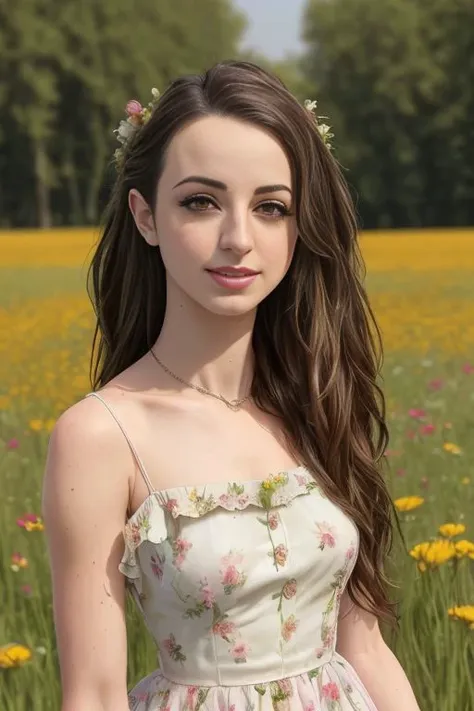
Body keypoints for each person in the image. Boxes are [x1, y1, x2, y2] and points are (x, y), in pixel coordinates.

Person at [42, 60, 421, 711]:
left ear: (298, 229)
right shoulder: (101, 435)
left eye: (270, 207)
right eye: (201, 201)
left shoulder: (319, 400)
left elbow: (365, 647)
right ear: (145, 215)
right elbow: (94, 692)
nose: (239, 238)